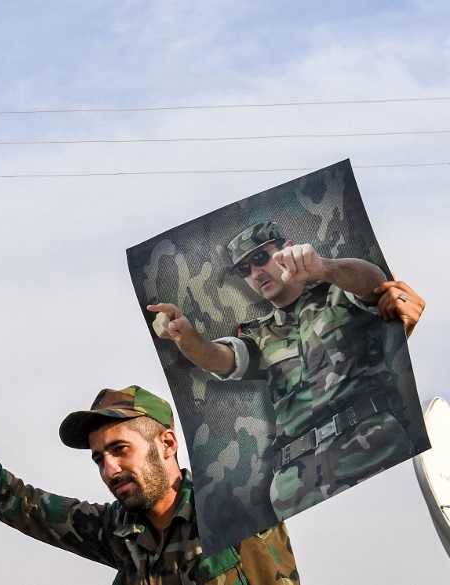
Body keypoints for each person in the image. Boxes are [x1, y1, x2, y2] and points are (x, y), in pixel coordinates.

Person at [0, 340, 299, 584]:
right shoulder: (117, 532)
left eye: (120, 450)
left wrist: (364, 300)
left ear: (168, 443)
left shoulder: (236, 507)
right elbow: (16, 500)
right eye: (99, 459)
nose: (109, 470)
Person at [147, 221, 425, 518]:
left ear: (288, 248)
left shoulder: (339, 292)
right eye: (244, 270)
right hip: (295, 481)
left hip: (372, 448)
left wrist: (323, 268)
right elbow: (220, 357)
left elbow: (374, 282)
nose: (255, 272)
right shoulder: (259, 334)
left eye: (260, 258)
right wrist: (187, 338)